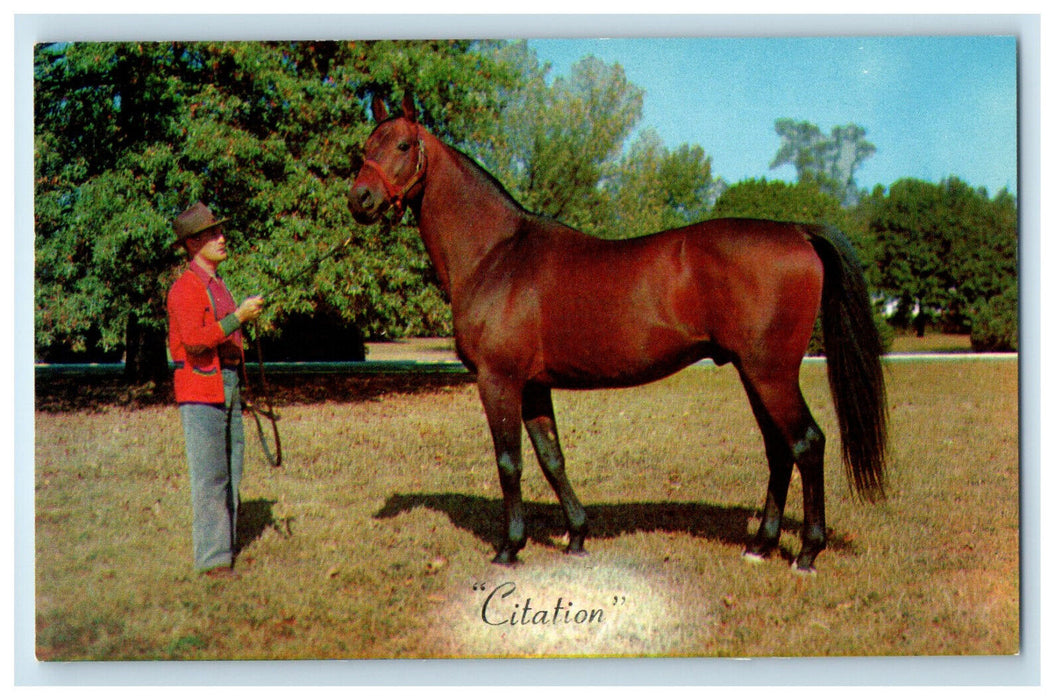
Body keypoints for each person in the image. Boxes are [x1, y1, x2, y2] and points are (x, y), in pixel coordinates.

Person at [166, 201, 264, 579]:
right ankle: (212, 562)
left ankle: (226, 549)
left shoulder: (218, 285)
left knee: (232, 470)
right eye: (212, 234)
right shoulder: (185, 288)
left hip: (228, 384)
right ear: (192, 244)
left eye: (220, 231)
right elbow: (193, 342)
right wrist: (238, 317)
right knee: (211, 477)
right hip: (200, 388)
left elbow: (221, 333)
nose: (222, 238)